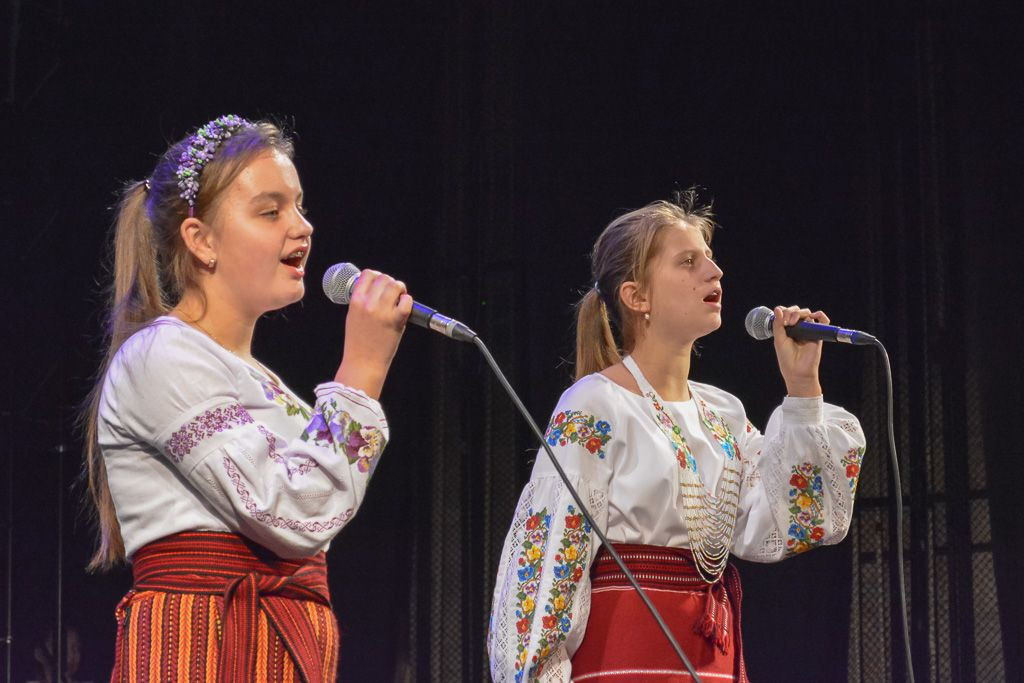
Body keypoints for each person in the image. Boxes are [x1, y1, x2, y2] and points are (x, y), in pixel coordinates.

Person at [82, 115, 412, 682]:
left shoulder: (267, 385)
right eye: (271, 210)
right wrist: (361, 369)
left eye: (300, 206)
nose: (302, 227)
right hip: (201, 646)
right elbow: (289, 511)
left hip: (280, 647)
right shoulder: (161, 356)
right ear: (201, 240)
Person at [487, 193, 867, 682]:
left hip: (712, 661)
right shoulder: (595, 405)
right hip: (626, 665)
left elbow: (802, 521)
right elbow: (548, 565)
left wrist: (801, 388)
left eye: (710, 258)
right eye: (689, 261)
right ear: (636, 296)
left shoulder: (722, 414)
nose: (715, 272)